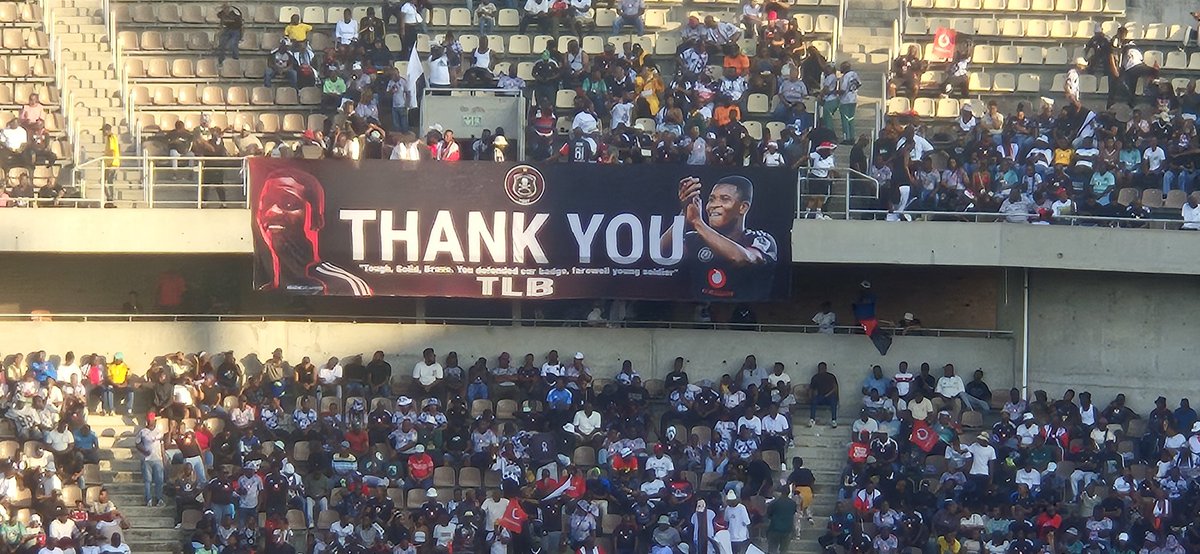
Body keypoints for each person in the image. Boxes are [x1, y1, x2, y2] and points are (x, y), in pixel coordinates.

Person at [253, 167, 374, 295]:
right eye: (265, 204)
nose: (272, 212)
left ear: (317, 220)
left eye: (289, 203)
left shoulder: (346, 286)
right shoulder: (266, 292)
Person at [662, 175, 778, 301]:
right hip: (700, 314)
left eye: (724, 199)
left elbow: (742, 259)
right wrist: (685, 212)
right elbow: (662, 253)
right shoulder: (695, 239)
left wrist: (697, 222)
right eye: (711, 199)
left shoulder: (761, 239)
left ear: (743, 207)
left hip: (746, 314)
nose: (714, 205)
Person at [135, 414, 166, 507]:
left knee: (159, 480)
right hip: (147, 459)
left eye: (152, 420)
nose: (150, 421)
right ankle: (148, 499)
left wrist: (164, 458)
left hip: (158, 458)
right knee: (147, 481)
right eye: (149, 420)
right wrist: (144, 450)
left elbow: (162, 445)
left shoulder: (159, 432)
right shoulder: (142, 432)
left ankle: (159, 499)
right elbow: (137, 444)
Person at [809, 362, 838, 427]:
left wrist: (827, 395)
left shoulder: (831, 376)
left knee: (833, 401)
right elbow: (811, 388)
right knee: (814, 401)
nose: (821, 369)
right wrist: (810, 397)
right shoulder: (815, 377)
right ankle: (812, 419)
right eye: (820, 368)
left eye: (822, 368)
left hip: (830, 396)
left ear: (826, 368)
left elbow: (835, 388)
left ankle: (834, 420)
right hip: (820, 396)